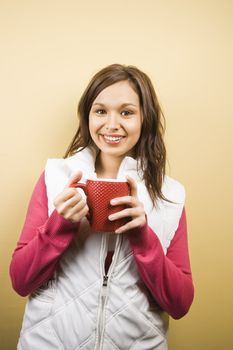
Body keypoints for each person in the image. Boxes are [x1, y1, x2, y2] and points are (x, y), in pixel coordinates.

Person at [10, 64, 194, 350]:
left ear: (145, 118)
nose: (111, 124)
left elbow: (180, 304)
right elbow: (21, 282)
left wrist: (143, 238)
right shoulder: (54, 178)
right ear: (87, 116)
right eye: (100, 111)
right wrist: (60, 224)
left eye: (126, 112)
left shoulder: (170, 195)